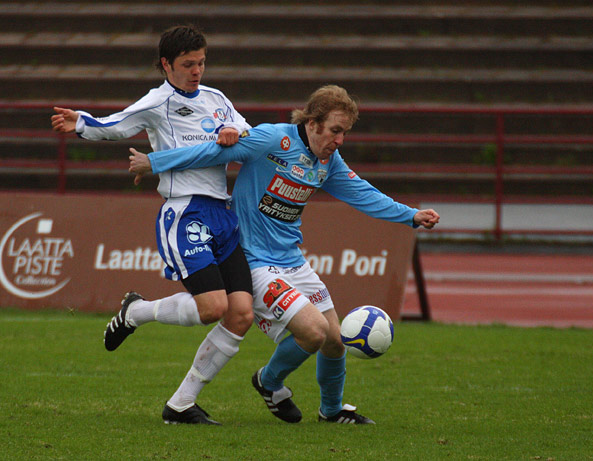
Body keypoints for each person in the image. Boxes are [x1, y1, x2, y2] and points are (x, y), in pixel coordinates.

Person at [129, 85, 440, 424]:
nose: (339, 140)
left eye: (345, 133)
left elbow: (362, 193)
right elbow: (211, 153)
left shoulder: (328, 162)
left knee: (335, 341)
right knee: (314, 332)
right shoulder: (271, 140)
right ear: (313, 122)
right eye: (335, 130)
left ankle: (332, 412)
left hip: (292, 260)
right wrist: (154, 162)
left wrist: (410, 215)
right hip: (255, 262)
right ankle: (268, 381)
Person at [51, 25, 254, 425]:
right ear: (166, 64)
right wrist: (80, 123)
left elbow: (247, 132)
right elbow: (117, 125)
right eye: (187, 64)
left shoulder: (216, 99)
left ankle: (180, 405)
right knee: (214, 307)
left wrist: (236, 131)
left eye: (201, 63)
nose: (196, 71)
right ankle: (137, 312)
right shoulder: (157, 102)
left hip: (222, 214)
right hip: (184, 213)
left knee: (242, 313)